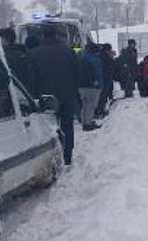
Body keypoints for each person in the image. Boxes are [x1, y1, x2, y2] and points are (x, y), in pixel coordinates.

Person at [29, 26, 78, 165]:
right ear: (56, 33)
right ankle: (67, 155)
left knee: (49, 126)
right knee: (67, 125)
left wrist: (35, 96)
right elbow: (76, 72)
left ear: (43, 35)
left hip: (46, 97)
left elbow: (32, 78)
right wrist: (73, 90)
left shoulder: (35, 53)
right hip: (67, 95)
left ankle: (53, 156)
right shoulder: (68, 50)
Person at [0, 27, 38, 96]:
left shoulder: (5, 57)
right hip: (25, 93)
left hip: (12, 95)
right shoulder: (24, 52)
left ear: (5, 39)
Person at [77, 43, 103, 131]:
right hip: (91, 86)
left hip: (80, 86)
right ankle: (88, 123)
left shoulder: (80, 58)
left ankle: (84, 122)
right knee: (90, 105)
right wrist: (99, 85)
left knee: (84, 105)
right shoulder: (94, 59)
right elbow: (98, 73)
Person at [95, 44, 115, 118]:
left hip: (102, 78)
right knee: (103, 96)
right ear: (107, 50)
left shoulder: (99, 56)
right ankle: (100, 111)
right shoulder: (105, 57)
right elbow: (110, 66)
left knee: (101, 96)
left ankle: (100, 110)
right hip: (105, 78)